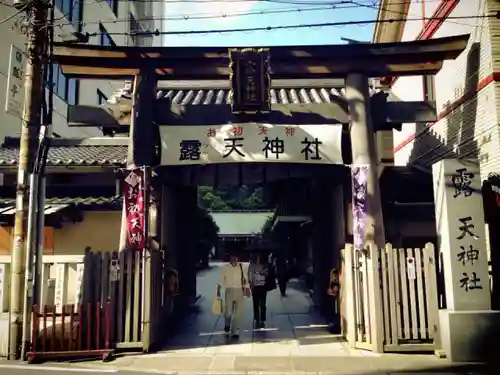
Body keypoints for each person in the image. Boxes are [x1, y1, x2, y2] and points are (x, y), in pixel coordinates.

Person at [216, 251, 249, 338]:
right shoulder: (225, 268)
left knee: (238, 313)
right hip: (229, 290)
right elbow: (221, 279)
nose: (234, 259)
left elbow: (245, 279)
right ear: (229, 258)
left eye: (235, 257)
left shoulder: (241, 267)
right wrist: (218, 291)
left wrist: (247, 289)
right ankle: (227, 324)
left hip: (239, 291)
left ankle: (235, 330)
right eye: (232, 257)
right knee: (228, 312)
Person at [248, 253, 268, 328]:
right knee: (255, 303)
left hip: (263, 286)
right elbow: (249, 275)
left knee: (263, 304)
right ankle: (256, 317)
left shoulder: (264, 265)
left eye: (259, 257)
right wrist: (250, 285)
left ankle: (262, 318)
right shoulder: (251, 265)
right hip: (255, 286)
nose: (258, 259)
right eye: (256, 257)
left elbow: (267, 273)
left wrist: (263, 272)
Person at [326, 268, 340, 333]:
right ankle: (332, 325)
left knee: (334, 313)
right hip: (332, 300)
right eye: (334, 275)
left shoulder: (335, 282)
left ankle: (333, 325)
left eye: (336, 275)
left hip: (335, 300)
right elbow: (329, 291)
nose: (335, 277)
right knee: (332, 313)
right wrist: (332, 293)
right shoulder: (332, 283)